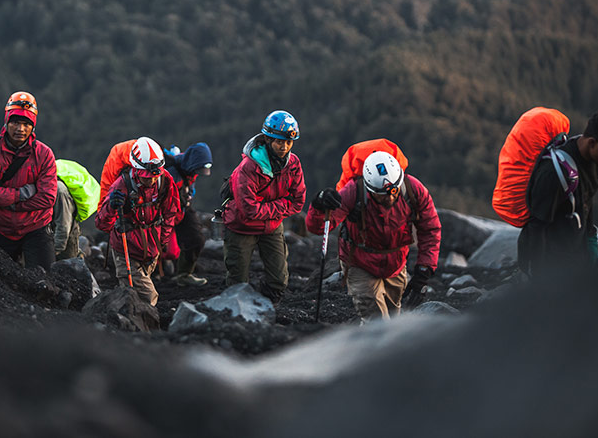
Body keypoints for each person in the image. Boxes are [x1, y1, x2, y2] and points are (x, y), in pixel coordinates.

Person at [306, 151, 441, 321]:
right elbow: (320, 227)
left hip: (396, 264)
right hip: (359, 262)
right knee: (376, 320)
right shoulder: (353, 192)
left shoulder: (413, 190)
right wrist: (318, 205)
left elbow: (430, 229)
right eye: (382, 194)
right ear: (370, 189)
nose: (390, 197)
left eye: (393, 191)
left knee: (394, 317)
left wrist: (424, 270)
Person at [518, 110, 598, 277]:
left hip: (579, 258)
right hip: (556, 269)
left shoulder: (595, 162)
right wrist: (536, 280)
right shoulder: (554, 173)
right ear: (592, 143)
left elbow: (586, 208)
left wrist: (591, 253)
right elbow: (536, 227)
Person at [222, 110, 306, 304]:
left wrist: (268, 208)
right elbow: (249, 209)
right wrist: (281, 206)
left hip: (272, 226)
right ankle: (236, 312)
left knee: (279, 280)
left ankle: (268, 307)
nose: (284, 147)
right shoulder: (249, 167)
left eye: (289, 142)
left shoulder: (293, 163)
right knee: (237, 281)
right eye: (279, 142)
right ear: (268, 139)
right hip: (241, 227)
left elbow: (298, 201)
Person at [0, 91, 58, 271]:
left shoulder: (44, 154)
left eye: (26, 124)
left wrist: (11, 204)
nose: (20, 129)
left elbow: (48, 198)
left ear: (33, 126)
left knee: (46, 279)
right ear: (6, 122)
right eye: (15, 122)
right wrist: (22, 194)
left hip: (36, 228)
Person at [95, 137, 181, 306]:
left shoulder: (165, 180)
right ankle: (147, 321)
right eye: (147, 178)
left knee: (133, 298)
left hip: (151, 250)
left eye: (155, 177)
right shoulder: (121, 185)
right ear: (136, 169)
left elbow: (170, 212)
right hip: (125, 250)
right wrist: (111, 206)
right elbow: (102, 224)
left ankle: (126, 319)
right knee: (148, 296)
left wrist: (162, 241)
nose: (152, 181)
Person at [164, 142, 213, 286]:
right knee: (164, 249)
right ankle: (154, 276)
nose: (199, 173)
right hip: (166, 211)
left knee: (196, 239)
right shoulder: (171, 172)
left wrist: (188, 196)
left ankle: (184, 274)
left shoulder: (191, 169)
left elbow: (191, 187)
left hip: (183, 207)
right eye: (199, 169)